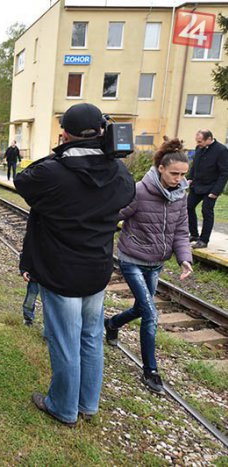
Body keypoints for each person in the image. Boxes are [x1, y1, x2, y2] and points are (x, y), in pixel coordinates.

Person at [14, 103, 135, 426]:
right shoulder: (119, 173)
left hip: (60, 271)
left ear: (64, 134)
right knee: (91, 338)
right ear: (103, 132)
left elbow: (22, 180)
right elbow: (127, 195)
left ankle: (63, 407)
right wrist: (100, 152)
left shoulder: (53, 172)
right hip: (96, 270)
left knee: (65, 341)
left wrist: (62, 152)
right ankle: (87, 403)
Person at [105, 139, 193, 394]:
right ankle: (150, 371)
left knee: (140, 309)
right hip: (131, 259)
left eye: (183, 174)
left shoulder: (180, 197)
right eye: (175, 173)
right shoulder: (140, 191)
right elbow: (115, 214)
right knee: (151, 314)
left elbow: (181, 231)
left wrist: (184, 258)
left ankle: (112, 324)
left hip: (156, 264)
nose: (179, 179)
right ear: (161, 169)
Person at [186, 129, 228, 249]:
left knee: (206, 211)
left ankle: (204, 240)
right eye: (197, 141)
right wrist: (190, 178)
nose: (198, 144)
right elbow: (195, 165)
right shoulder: (199, 148)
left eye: (200, 141)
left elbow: (224, 173)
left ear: (209, 139)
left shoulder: (221, 150)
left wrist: (216, 191)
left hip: (211, 188)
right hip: (197, 185)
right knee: (188, 207)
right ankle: (194, 234)